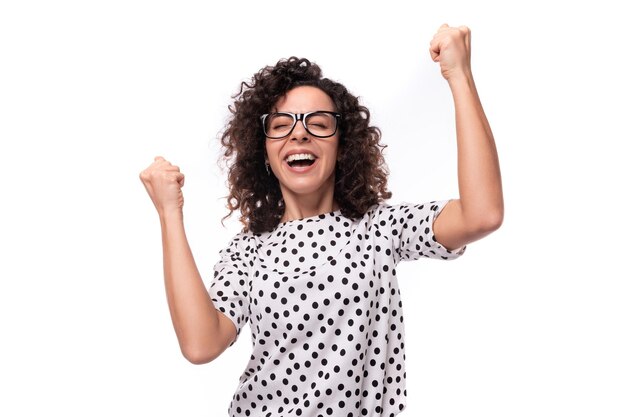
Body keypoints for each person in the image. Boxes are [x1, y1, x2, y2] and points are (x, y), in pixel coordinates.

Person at [139, 23, 503, 417]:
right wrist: (169, 212)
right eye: (281, 126)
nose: (299, 135)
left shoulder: (379, 229)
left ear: (342, 146)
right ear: (264, 153)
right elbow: (200, 344)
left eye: (318, 123)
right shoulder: (249, 252)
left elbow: (481, 214)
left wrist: (459, 76)